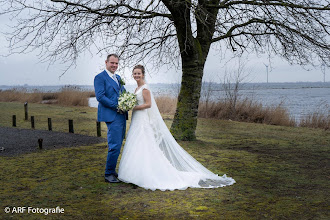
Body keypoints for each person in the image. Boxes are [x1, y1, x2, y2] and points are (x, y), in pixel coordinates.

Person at [118, 65, 235, 191]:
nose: (136, 75)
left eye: (138, 73)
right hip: (137, 119)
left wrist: (133, 107)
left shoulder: (145, 89)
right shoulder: (137, 88)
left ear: (143, 75)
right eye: (134, 73)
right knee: (137, 144)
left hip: (142, 119)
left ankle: (146, 174)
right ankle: (136, 172)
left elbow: (148, 104)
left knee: (144, 143)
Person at [94, 54, 128, 183]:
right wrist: (117, 106)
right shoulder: (100, 77)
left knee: (118, 144)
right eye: (112, 63)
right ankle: (108, 174)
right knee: (114, 145)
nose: (114, 65)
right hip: (112, 114)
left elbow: (122, 93)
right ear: (106, 62)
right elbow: (100, 97)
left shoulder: (118, 77)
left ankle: (112, 171)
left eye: (116, 64)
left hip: (121, 114)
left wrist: (127, 102)